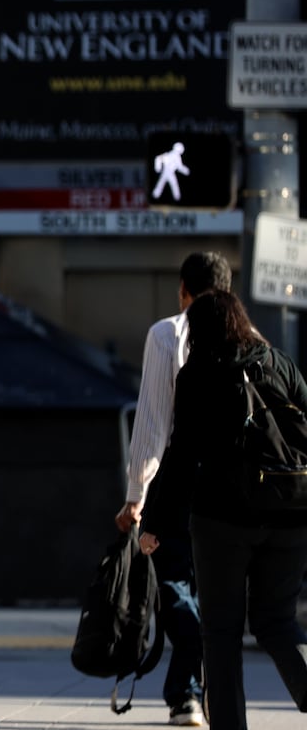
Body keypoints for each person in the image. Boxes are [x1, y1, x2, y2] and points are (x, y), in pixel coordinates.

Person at [142, 290, 307, 730]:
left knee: (220, 633)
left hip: (223, 522)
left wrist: (153, 522)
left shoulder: (199, 374)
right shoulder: (279, 362)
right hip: (290, 515)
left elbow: (180, 458)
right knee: (277, 621)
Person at [114, 252, 228, 727]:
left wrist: (136, 494)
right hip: (231, 493)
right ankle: (188, 695)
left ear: (183, 290)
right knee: (201, 587)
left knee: (177, 586)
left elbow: (154, 420)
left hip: (177, 489)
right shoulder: (250, 338)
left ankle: (189, 693)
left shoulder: (167, 335)